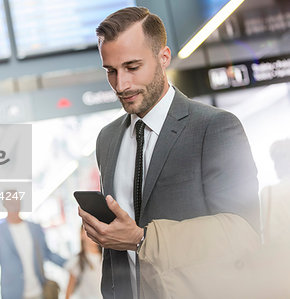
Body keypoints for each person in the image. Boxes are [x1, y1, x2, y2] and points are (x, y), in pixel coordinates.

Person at [78, 6, 260, 299]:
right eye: (111, 71)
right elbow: (115, 260)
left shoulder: (214, 128)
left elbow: (244, 233)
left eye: (132, 67)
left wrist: (141, 239)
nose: (121, 84)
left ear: (164, 58)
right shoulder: (108, 139)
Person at [0, 192, 66, 299]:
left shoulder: (34, 228)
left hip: (40, 292)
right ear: (4, 205)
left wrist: (71, 263)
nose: (14, 204)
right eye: (10, 201)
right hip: (12, 294)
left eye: (16, 200)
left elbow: (47, 253)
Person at [65, 225, 102, 299]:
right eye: (88, 231)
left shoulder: (105, 257)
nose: (92, 234)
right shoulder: (77, 261)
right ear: (81, 235)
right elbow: (69, 291)